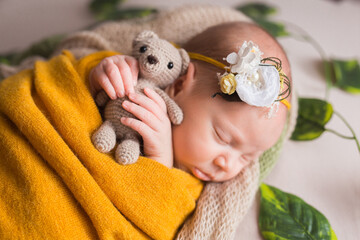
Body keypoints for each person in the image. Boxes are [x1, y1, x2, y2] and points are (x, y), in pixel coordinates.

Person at [89, 21, 292, 182]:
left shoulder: (201, 191)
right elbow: (77, 92)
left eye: (246, 158)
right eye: (223, 138)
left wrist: (161, 159)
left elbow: (160, 219)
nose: (227, 166)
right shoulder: (141, 86)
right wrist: (101, 76)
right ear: (179, 86)